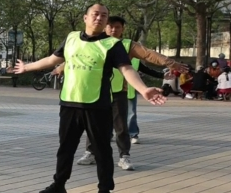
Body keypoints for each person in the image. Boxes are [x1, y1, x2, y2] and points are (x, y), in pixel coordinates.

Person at [10, 4, 166, 193]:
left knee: (102, 151)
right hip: (69, 103)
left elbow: (127, 69)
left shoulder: (112, 44)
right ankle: (59, 185)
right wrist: (27, 67)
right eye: (95, 14)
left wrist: (143, 89)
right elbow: (53, 59)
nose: (99, 18)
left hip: (97, 105)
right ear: (85, 18)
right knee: (65, 148)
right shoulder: (71, 38)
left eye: (104, 15)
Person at [66, 16, 186, 168]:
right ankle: (91, 153)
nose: (113, 30)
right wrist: (59, 68)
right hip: (96, 92)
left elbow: (149, 54)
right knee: (94, 124)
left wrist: (171, 63)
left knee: (121, 126)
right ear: (105, 27)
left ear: (123, 29)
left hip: (118, 92)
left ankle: (124, 156)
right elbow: (74, 58)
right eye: (110, 26)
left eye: (117, 27)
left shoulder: (128, 45)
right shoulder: (94, 42)